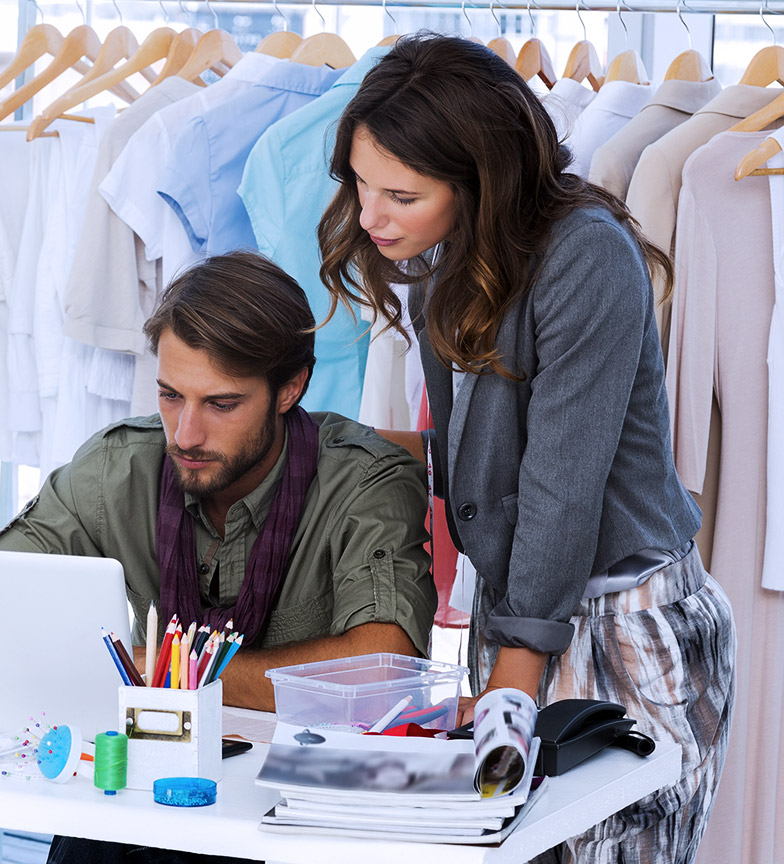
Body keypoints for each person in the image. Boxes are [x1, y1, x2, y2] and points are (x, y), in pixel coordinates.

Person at [316, 35, 735, 864]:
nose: (369, 216)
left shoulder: (586, 256)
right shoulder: (452, 260)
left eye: (399, 193)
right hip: (519, 616)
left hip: (623, 631)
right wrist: (324, 454)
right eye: (361, 184)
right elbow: (476, 463)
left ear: (481, 179)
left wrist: (512, 678)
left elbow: (560, 489)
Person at [0, 251, 437, 864]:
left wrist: (175, 677)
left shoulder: (365, 481)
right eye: (171, 396)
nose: (185, 434)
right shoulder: (118, 467)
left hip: (299, 818)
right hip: (144, 807)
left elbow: (382, 671)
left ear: (291, 388)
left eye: (221, 404)